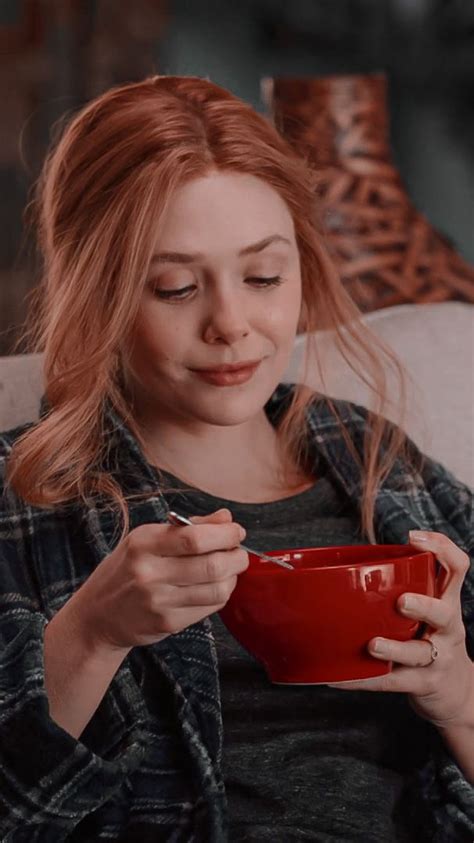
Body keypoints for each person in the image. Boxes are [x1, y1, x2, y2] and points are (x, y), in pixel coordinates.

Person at [0, 75, 472, 843]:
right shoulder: (25, 497)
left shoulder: (383, 465)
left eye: (263, 276)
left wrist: (459, 696)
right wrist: (90, 634)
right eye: (175, 287)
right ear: (99, 294)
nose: (231, 323)